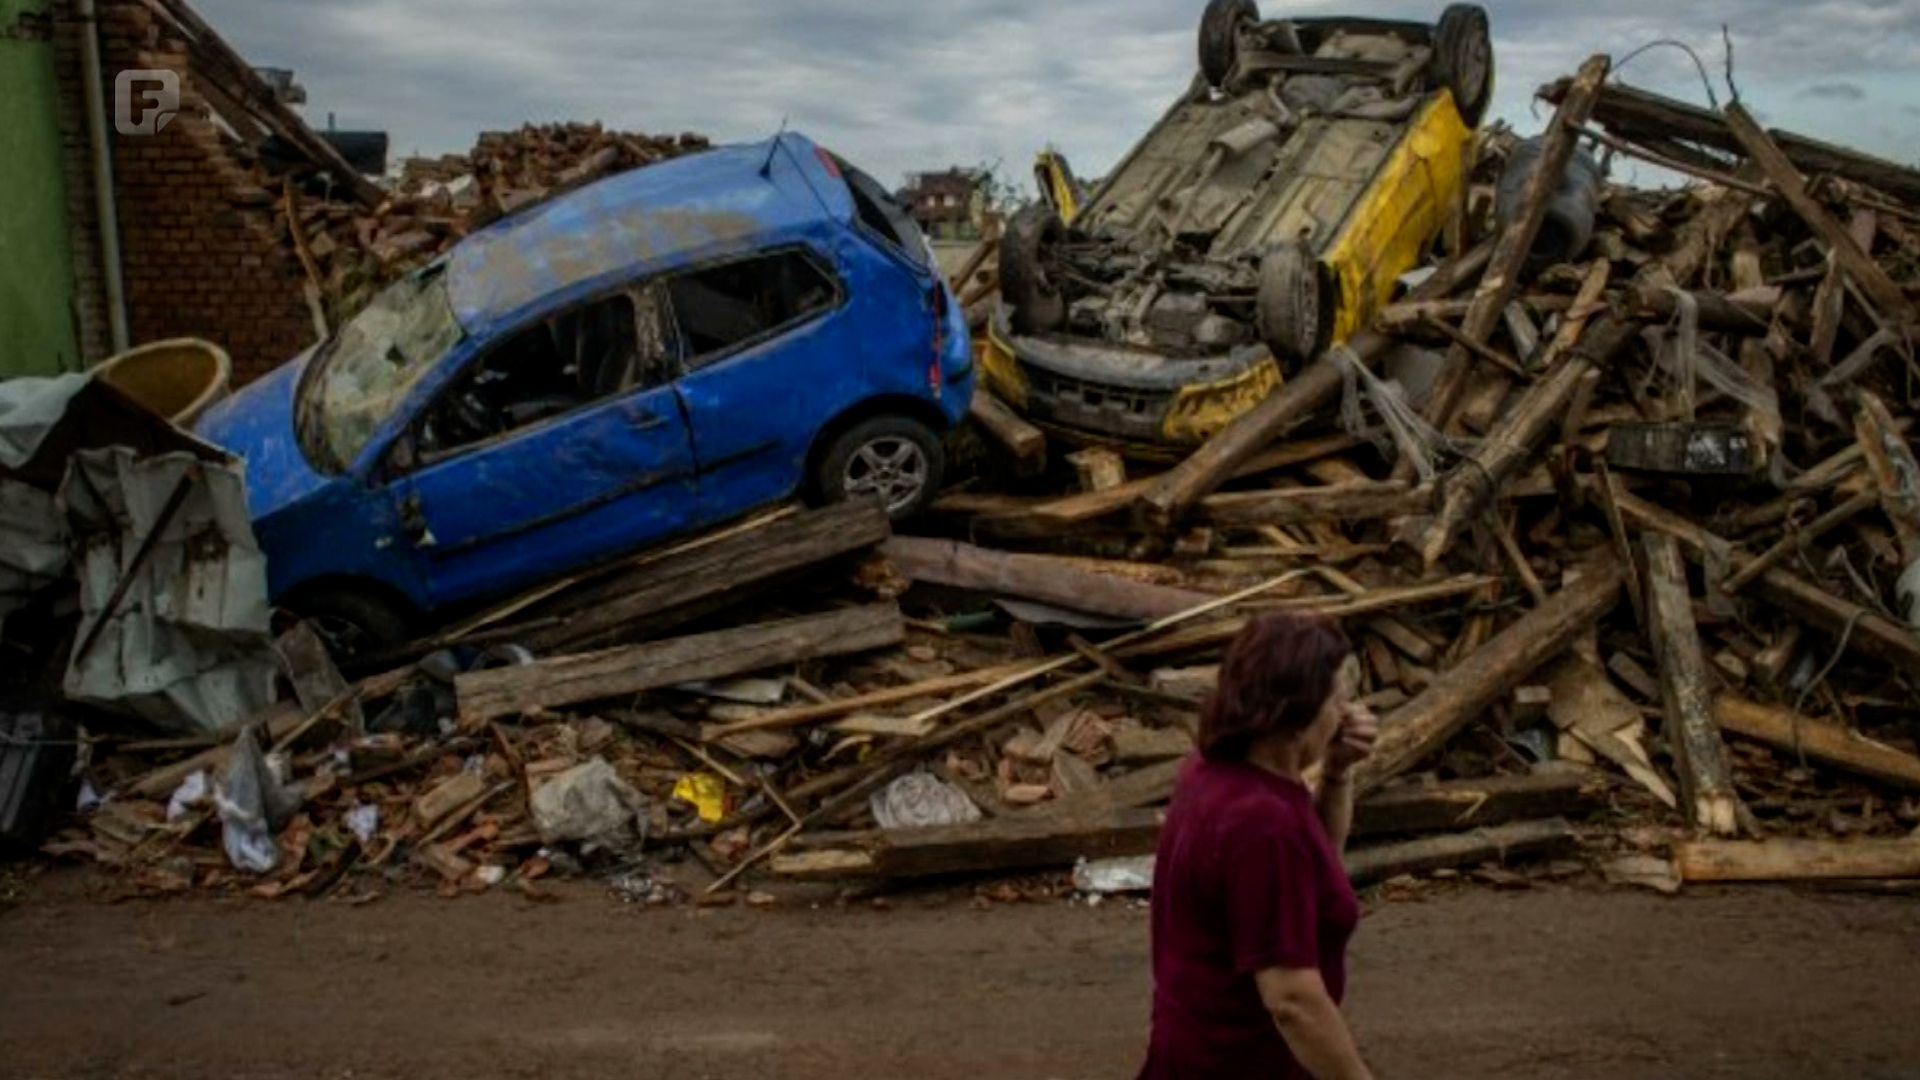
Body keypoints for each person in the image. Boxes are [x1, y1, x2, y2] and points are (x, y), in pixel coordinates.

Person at [1138, 613, 1380, 1080]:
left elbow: (1317, 869)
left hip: (1190, 1052)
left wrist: (1337, 772)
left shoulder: (1213, 771)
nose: (1346, 714)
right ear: (1299, 716)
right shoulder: (1262, 824)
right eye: (1338, 700)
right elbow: (1291, 998)